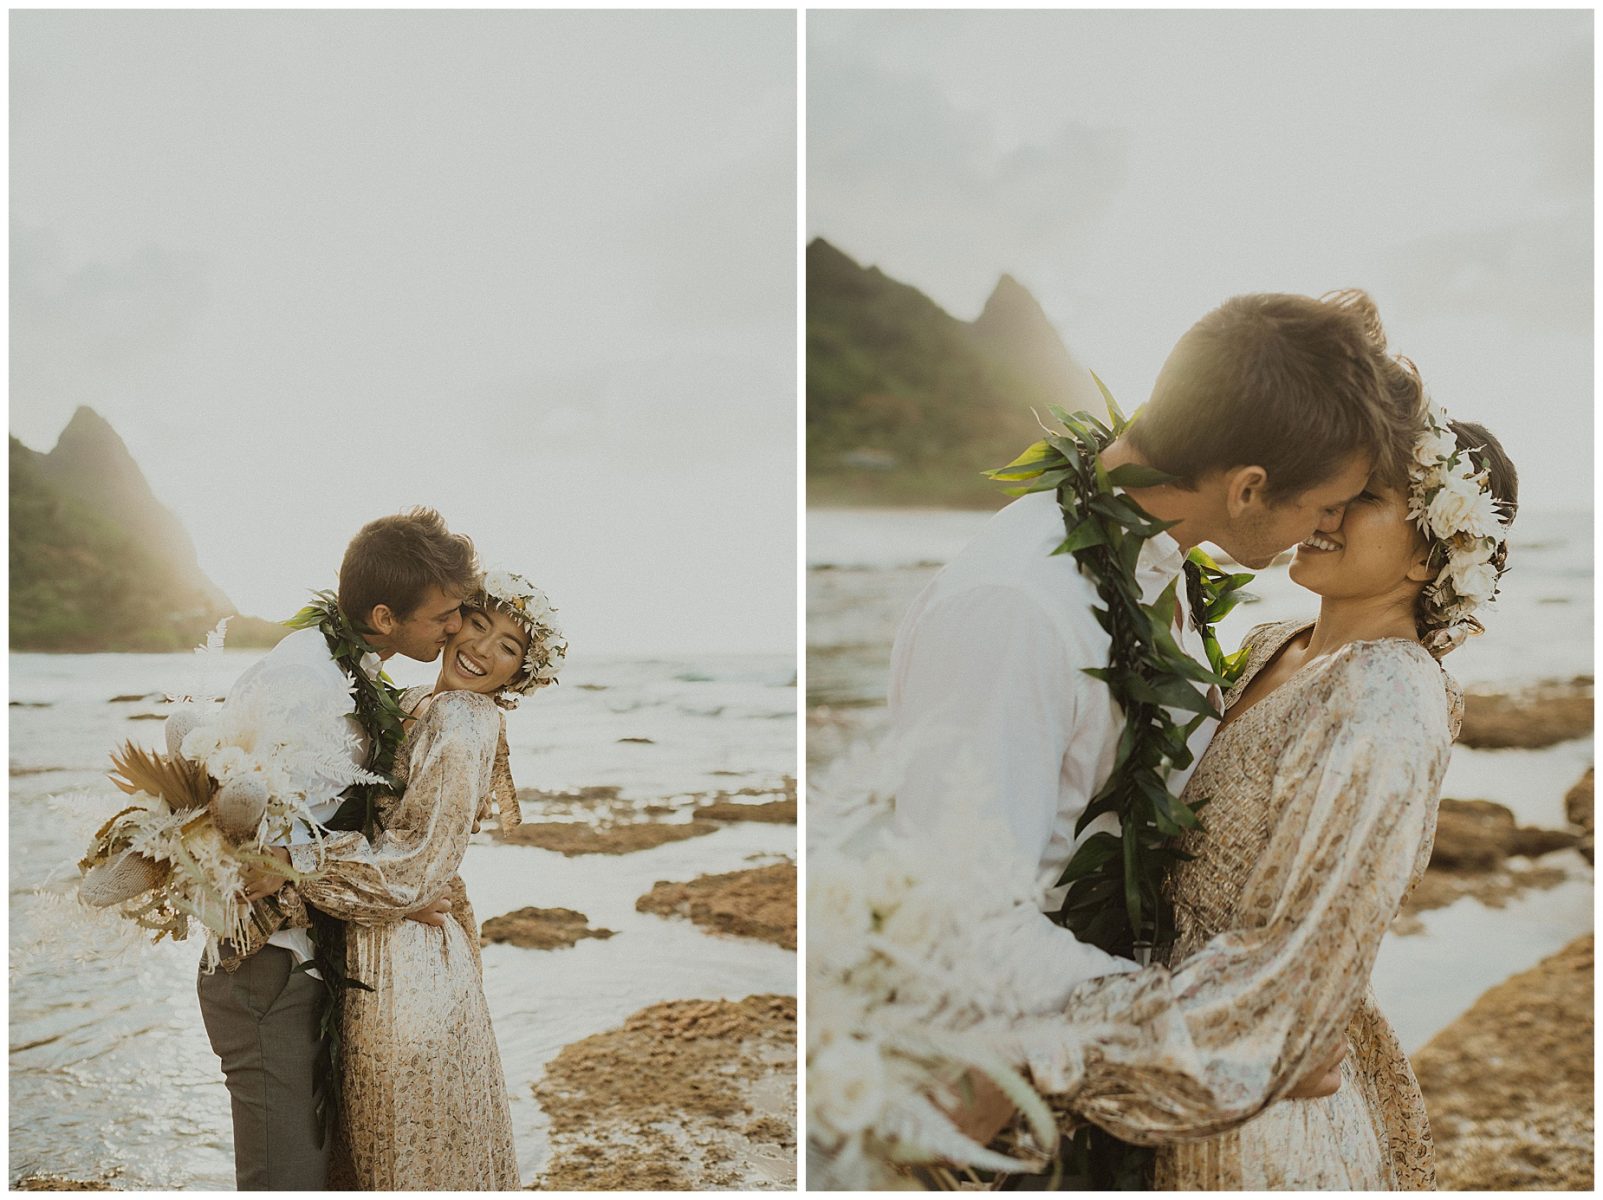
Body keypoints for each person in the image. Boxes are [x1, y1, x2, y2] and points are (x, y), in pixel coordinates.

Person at [885, 291, 1423, 1168]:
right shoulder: (1013, 610)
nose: (1331, 523)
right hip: (1009, 1114)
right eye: (1326, 502)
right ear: (1249, 488)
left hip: (1093, 1103)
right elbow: (961, 930)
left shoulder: (1153, 562)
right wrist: (1215, 1040)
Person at [1125, 410, 1516, 1189]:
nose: (1321, 510)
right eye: (1327, 487)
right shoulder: (1275, 642)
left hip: (1248, 1086)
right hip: (1165, 1011)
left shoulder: (1386, 695)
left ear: (1429, 553)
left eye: (1360, 496)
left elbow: (1304, 956)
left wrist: (1058, 1050)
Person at [195, 507, 478, 1191]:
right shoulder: (305, 685)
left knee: (327, 1175)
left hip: (308, 965)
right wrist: (395, 894)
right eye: (444, 615)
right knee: (285, 1180)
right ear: (384, 617)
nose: (455, 628)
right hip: (265, 970)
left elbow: (323, 828)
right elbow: (250, 858)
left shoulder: (351, 675)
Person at [281, 569, 566, 1190]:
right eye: (479, 623)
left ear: (520, 673)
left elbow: (413, 870)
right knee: (393, 1138)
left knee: (407, 1142)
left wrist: (288, 863)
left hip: (407, 960)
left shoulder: (463, 718)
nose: (483, 649)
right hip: (380, 937)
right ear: (452, 620)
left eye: (509, 648)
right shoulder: (411, 700)